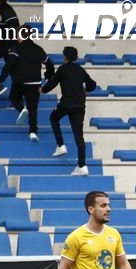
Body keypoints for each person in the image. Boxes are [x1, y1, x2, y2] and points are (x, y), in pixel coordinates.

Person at [41, 45, 97, 176]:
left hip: (66, 103)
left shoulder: (62, 69)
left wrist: (42, 90)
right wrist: (86, 90)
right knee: (79, 136)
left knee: (53, 118)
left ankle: (61, 146)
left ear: (65, 56)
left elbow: (51, 83)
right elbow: (92, 84)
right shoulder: (80, 70)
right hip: (79, 105)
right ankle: (82, 166)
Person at [0, 23, 53, 142]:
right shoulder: (38, 49)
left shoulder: (16, 48)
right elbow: (50, 64)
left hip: (20, 81)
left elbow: (10, 64)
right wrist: (47, 76)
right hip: (35, 83)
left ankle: (22, 108)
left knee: (13, 98)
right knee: (33, 107)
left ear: (19, 35)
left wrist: (0, 79)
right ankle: (33, 132)